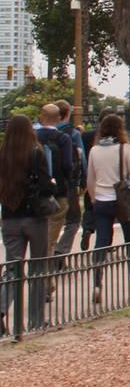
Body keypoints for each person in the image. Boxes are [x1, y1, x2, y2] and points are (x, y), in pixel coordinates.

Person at [1, 114, 60, 333]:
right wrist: (52, 185)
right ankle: (35, 320)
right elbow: (46, 185)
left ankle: (1, 309)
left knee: (13, 269)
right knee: (38, 269)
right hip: (34, 217)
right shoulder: (36, 153)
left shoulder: (3, 154)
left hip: (9, 217)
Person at [84, 113, 130, 303]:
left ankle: (97, 283)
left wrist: (94, 198)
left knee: (102, 243)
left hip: (102, 201)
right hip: (123, 201)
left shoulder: (95, 151)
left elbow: (90, 179)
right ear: (120, 129)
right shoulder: (125, 149)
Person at [32, 105, 72, 263]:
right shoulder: (63, 138)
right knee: (52, 233)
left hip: (35, 192)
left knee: (38, 231)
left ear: (41, 117)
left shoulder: (33, 136)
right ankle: (45, 272)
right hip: (58, 192)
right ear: (58, 118)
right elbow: (68, 165)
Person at [51, 101, 85, 255]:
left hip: (48, 182)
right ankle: (61, 249)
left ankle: (48, 251)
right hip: (68, 183)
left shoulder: (43, 133)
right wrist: (83, 181)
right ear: (68, 114)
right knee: (73, 220)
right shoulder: (73, 133)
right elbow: (82, 159)